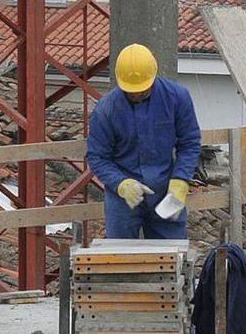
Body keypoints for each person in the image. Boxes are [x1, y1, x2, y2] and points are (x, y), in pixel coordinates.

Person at [86, 44, 201, 239]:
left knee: (171, 257)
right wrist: (121, 183)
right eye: (131, 91)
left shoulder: (177, 98)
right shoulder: (106, 110)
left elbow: (190, 142)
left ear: (153, 76)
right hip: (123, 198)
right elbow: (97, 157)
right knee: (120, 259)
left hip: (166, 190)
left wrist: (181, 178)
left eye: (142, 89)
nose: (137, 93)